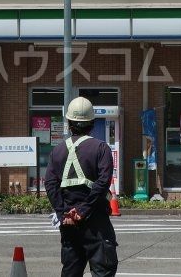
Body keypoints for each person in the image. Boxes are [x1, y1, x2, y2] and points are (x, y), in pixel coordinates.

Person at [44, 97, 118, 277]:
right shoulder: (101, 148)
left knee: (70, 271)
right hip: (95, 221)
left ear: (69, 123)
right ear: (92, 123)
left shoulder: (58, 150)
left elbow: (50, 183)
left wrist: (63, 213)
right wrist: (83, 210)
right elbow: (103, 182)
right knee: (103, 270)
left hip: (68, 223)